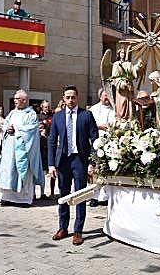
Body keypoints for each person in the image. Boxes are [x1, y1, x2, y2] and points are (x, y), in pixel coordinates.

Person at [48, 85, 98, 246]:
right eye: (67, 97)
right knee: (63, 196)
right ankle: (63, 228)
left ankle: (78, 231)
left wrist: (92, 162)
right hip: (63, 161)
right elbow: (51, 141)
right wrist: (51, 164)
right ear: (63, 98)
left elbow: (95, 141)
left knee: (80, 195)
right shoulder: (58, 117)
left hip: (79, 160)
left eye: (73, 97)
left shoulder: (86, 115)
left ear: (77, 98)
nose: (70, 100)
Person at [0, 90, 44, 207]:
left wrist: (16, 129)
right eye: (15, 99)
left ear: (24, 100)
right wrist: (7, 129)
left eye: (17, 99)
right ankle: (7, 197)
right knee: (9, 172)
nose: (15, 101)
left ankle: (24, 199)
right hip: (9, 149)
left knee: (22, 172)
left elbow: (32, 129)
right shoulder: (12, 113)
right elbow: (5, 125)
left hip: (23, 149)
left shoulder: (30, 114)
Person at [88, 89, 115, 207]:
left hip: (109, 143)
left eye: (108, 96)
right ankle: (94, 196)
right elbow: (89, 124)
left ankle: (105, 196)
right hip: (96, 142)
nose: (107, 98)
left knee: (106, 169)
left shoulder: (114, 109)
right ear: (100, 97)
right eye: (105, 96)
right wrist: (100, 126)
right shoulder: (93, 109)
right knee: (95, 170)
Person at [112, 46, 139, 120]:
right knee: (122, 103)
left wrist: (138, 66)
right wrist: (122, 83)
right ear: (119, 54)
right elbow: (114, 77)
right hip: (121, 89)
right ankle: (121, 118)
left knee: (130, 104)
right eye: (121, 53)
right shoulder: (116, 64)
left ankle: (130, 119)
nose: (123, 54)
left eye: (124, 53)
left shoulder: (129, 64)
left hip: (129, 88)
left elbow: (133, 73)